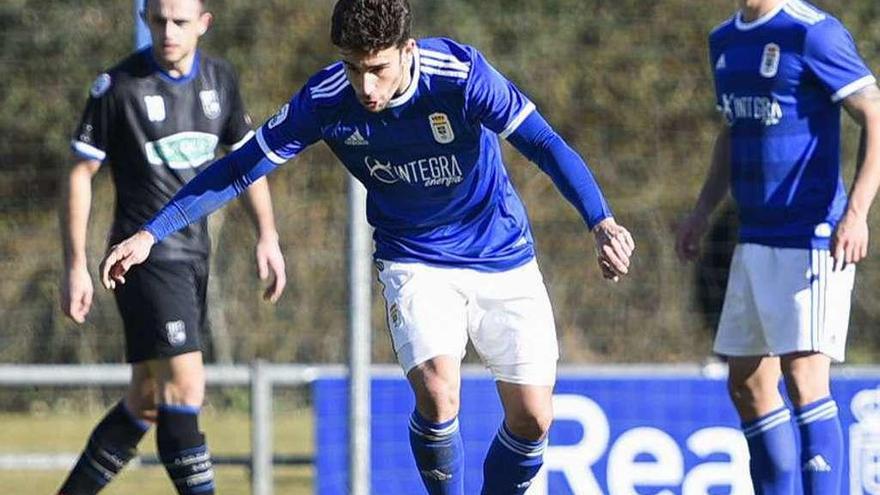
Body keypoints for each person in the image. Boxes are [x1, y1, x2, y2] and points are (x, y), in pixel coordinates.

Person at [99, 0, 634, 493]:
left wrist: (601, 221)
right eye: (354, 68)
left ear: (407, 50)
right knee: (436, 387)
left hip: (500, 251)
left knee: (533, 418)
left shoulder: (461, 76)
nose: (366, 86)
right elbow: (240, 168)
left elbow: (543, 141)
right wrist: (151, 233)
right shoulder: (326, 99)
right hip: (413, 255)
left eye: (377, 68)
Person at [57, 0, 286, 493]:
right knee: (186, 388)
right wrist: (75, 264)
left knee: (146, 398)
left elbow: (248, 163)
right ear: (146, 20)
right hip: (143, 259)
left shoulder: (221, 80)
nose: (167, 31)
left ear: (204, 24)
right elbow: (81, 173)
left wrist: (267, 235)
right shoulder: (117, 87)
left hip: (195, 257)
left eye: (180, 21)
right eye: (157, 20)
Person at [676, 0, 880, 493]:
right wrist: (703, 210)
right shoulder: (724, 39)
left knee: (804, 378)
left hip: (811, 235)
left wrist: (857, 214)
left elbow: (874, 115)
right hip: (754, 236)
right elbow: (733, 129)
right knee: (745, 383)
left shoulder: (812, 33)